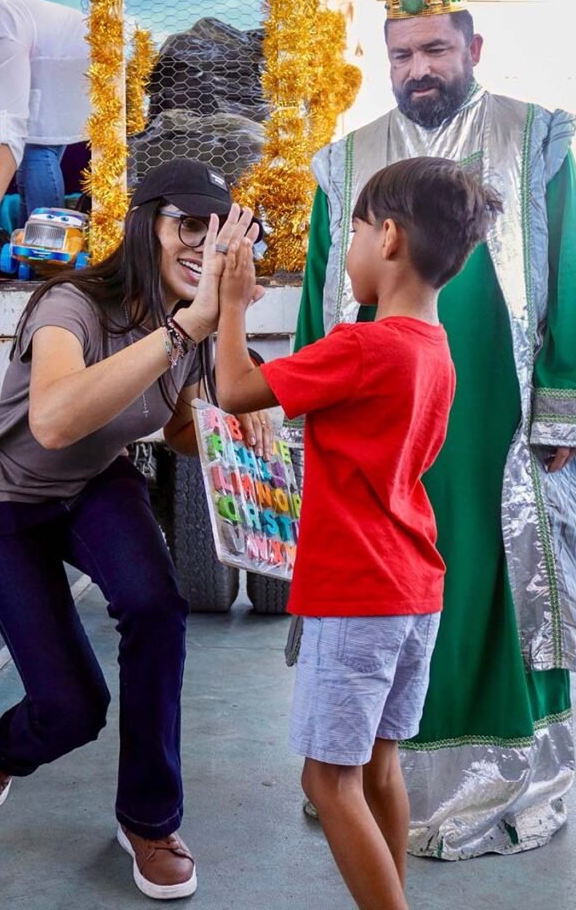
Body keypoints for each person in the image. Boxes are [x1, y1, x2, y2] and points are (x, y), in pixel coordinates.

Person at [292, 0, 576, 859]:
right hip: (382, 424)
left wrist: (563, 410)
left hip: (500, 428)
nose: (417, 69)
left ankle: (505, 773)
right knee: (381, 582)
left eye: (434, 48)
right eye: (400, 54)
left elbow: (575, 271)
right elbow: (322, 297)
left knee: (498, 579)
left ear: (473, 45)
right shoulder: (345, 158)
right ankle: (370, 771)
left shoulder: (533, 135)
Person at [0, 157, 272, 900]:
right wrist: (189, 327)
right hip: (3, 500)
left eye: (220, 232)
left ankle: (149, 819)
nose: (204, 244)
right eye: (189, 226)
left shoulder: (194, 325)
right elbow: (51, 420)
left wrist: (240, 420)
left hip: (95, 482)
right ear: (146, 226)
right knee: (73, 709)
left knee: (158, 606)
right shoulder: (70, 303)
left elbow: (174, 428)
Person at [214, 156, 501, 910]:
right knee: (379, 768)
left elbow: (236, 390)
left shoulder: (363, 344)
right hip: (413, 590)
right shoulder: (434, 351)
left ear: (390, 237)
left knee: (326, 780)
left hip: (357, 595)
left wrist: (233, 305)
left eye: (352, 232)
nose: (347, 249)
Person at [0, 0, 91, 240]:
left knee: (38, 147)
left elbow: (10, 131)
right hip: (56, 61)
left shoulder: (2, 38)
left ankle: (46, 244)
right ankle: (26, 244)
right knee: (29, 151)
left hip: (80, 61)